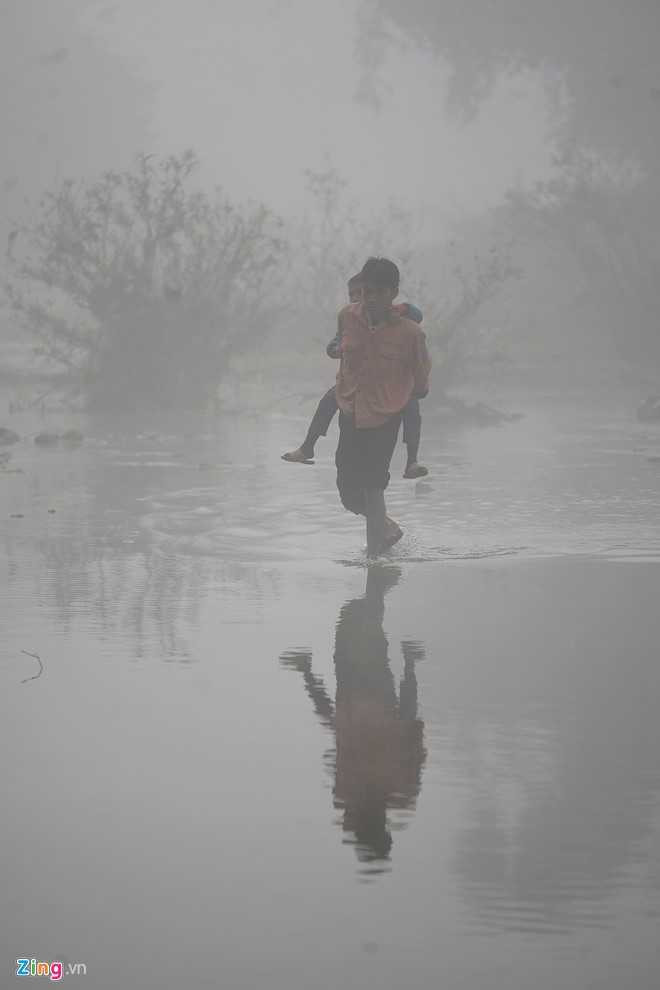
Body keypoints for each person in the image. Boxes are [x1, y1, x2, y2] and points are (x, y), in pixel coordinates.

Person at [281, 274, 429, 479]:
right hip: (358, 385)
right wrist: (339, 348)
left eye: (364, 294)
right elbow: (333, 345)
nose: (359, 299)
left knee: (411, 406)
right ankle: (308, 447)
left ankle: (411, 461)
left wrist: (402, 309)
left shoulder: (398, 318)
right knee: (329, 400)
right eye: (353, 295)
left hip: (392, 385)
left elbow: (417, 315)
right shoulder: (350, 320)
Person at [334, 257, 431, 556]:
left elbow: (421, 380)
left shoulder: (410, 333)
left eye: (377, 292)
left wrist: (397, 398)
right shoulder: (347, 317)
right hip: (351, 411)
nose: (369, 299)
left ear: (393, 292)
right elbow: (340, 353)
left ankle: (375, 560)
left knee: (373, 486)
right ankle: (386, 530)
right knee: (349, 493)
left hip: (385, 418)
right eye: (365, 292)